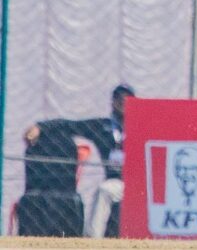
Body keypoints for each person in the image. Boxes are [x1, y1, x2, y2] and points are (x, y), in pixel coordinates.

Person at [23, 84, 136, 238]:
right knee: (105, 190)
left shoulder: (142, 125)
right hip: (117, 181)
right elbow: (70, 125)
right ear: (113, 101)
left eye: (127, 98)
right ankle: (92, 239)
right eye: (119, 98)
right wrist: (40, 127)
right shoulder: (103, 127)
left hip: (141, 181)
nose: (123, 102)